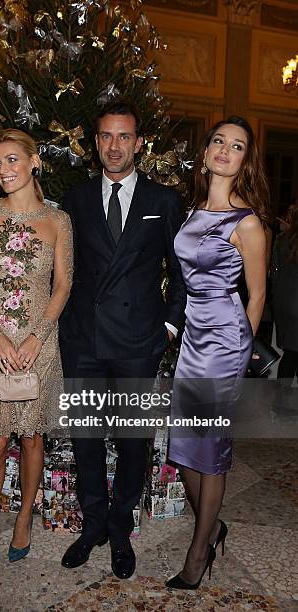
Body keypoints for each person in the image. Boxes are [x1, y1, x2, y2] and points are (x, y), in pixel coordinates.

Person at [59, 99, 186, 579]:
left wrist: (168, 329)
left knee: (135, 442)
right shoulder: (76, 198)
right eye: (106, 137)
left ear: (139, 142)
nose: (115, 146)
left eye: (124, 137)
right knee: (86, 438)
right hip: (84, 340)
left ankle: (120, 527)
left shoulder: (163, 201)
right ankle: (93, 525)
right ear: (96, 143)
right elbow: (64, 269)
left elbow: (179, 275)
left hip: (138, 341)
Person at [0, 128, 73, 586]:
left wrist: (37, 336)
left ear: (34, 161)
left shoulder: (58, 220)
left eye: (11, 160)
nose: (3, 170)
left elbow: (63, 283)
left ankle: (25, 515)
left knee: (31, 440)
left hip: (39, 345)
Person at [166, 116, 270, 589]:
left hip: (225, 340)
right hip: (192, 336)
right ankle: (213, 526)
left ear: (245, 160)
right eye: (219, 142)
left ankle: (198, 550)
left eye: (238, 146)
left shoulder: (246, 222)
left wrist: (239, 353)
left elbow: (257, 296)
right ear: (206, 153)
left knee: (210, 449)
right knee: (184, 446)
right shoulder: (191, 212)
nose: (226, 151)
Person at [272, 202, 298, 415]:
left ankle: (280, 403)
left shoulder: (282, 240)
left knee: (290, 355)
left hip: (286, 305)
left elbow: (276, 277)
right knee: (292, 356)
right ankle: (281, 404)